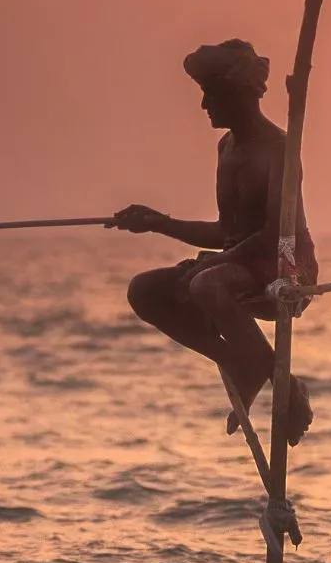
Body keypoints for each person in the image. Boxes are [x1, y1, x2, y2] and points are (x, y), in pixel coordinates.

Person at [113, 39, 317, 446]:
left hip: (284, 263)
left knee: (206, 283)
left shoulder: (278, 150)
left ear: (237, 94)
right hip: (238, 265)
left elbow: (277, 233)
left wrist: (211, 264)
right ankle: (248, 364)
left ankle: (274, 379)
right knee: (144, 290)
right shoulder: (225, 148)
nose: (205, 104)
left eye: (211, 93)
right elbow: (229, 231)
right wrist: (158, 223)